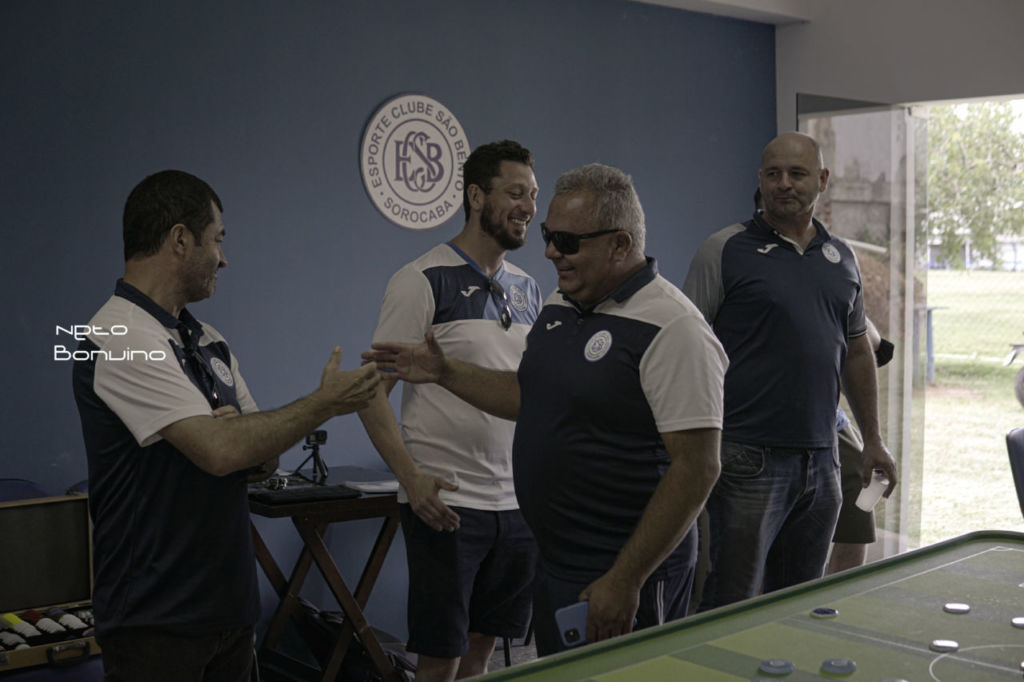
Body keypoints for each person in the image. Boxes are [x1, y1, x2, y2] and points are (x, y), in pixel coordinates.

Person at [366, 163, 727, 655]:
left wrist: (626, 578)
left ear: (620, 244)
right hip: (555, 560)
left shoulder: (674, 327)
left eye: (567, 242)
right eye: (548, 236)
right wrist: (445, 372)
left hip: (623, 568)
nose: (551, 251)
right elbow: (529, 394)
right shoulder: (562, 302)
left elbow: (698, 466)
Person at [72, 170, 380, 682]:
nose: (224, 258)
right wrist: (322, 405)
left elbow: (263, 456)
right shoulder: (118, 334)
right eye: (217, 239)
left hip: (229, 609)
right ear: (180, 239)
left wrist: (246, 442)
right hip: (156, 622)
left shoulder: (208, 338)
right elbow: (220, 452)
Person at [683, 132, 898, 611]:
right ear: (760, 179)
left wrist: (874, 440)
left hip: (822, 460)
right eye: (773, 174)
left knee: (798, 603)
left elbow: (856, 352)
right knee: (731, 604)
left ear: (821, 180)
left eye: (797, 174)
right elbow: (685, 350)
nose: (784, 184)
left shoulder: (841, 258)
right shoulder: (723, 250)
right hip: (745, 459)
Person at [356, 140, 543, 681]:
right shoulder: (421, 280)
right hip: (448, 502)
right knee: (440, 660)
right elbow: (369, 393)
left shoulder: (529, 289)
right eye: (515, 193)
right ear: (476, 197)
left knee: (483, 651)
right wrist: (410, 480)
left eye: (533, 195)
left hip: (517, 504)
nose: (529, 207)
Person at [829, 318, 895, 573]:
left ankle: (838, 590)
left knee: (871, 486)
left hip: (829, 421)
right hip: (760, 427)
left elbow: (873, 342)